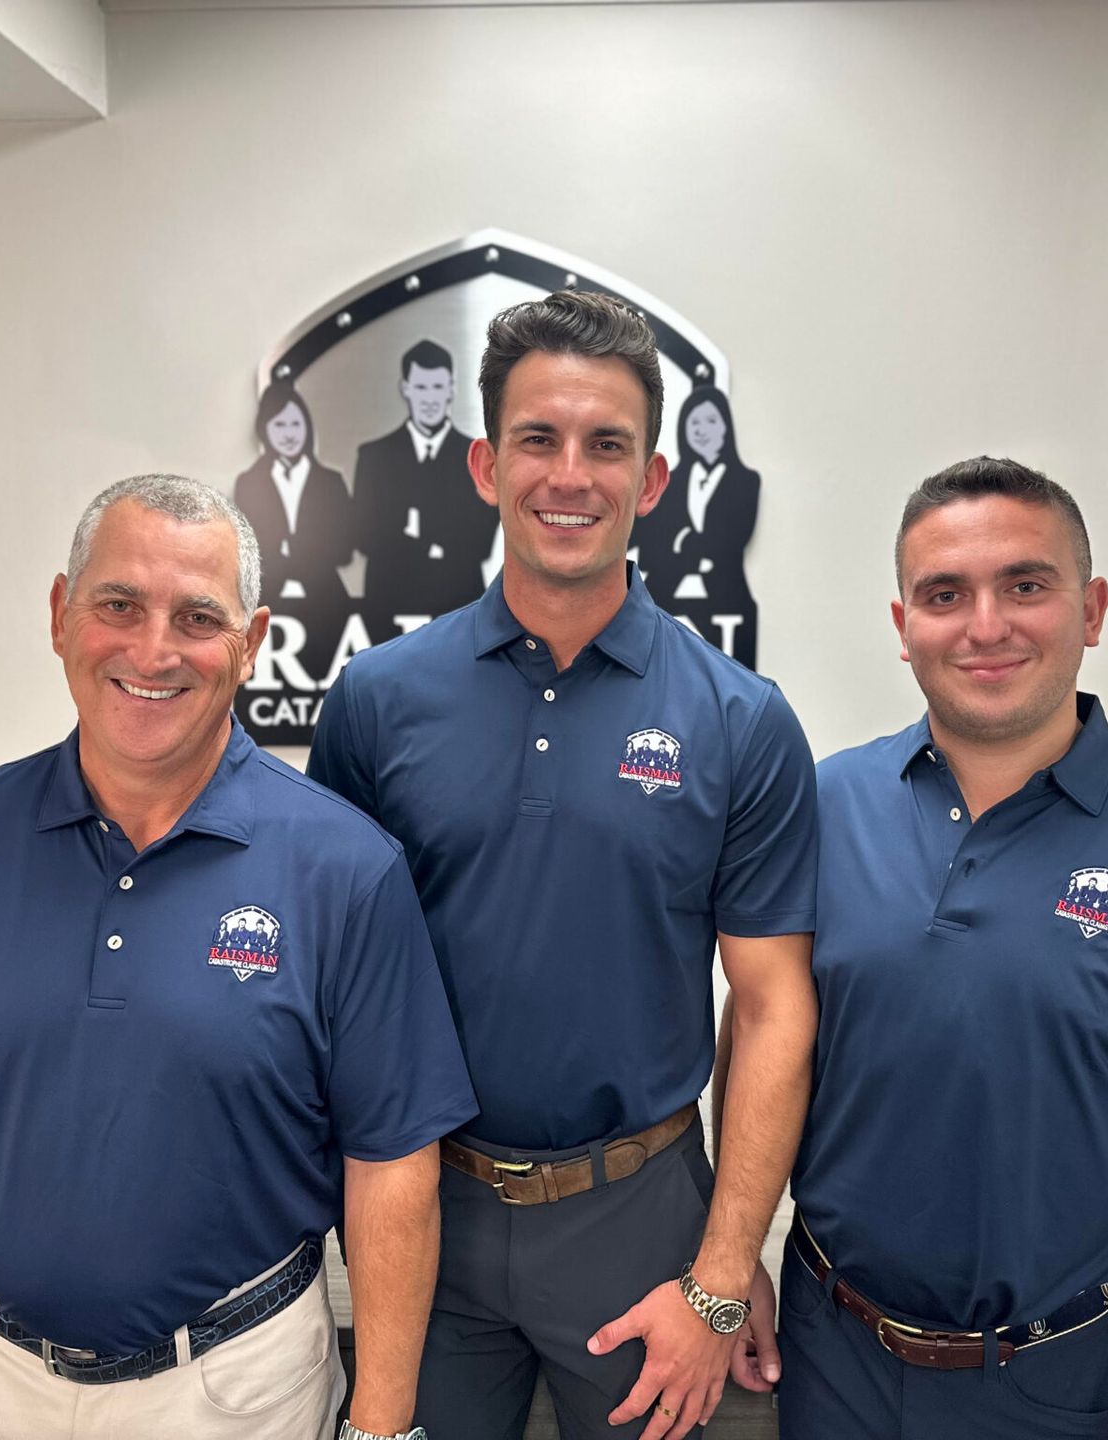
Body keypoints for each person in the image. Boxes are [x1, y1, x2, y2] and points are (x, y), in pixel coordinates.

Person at [0, 474, 475, 1440]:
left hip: (237, 1392)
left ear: (249, 646)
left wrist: (380, 1430)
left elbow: (391, 1171)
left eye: (197, 617)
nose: (153, 649)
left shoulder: (347, 871)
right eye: (118, 604)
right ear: (60, 614)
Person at [309, 291, 820, 1440]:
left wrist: (724, 1270)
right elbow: (327, 988)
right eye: (539, 439)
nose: (569, 476)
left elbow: (776, 1006)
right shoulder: (379, 703)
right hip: (419, 1208)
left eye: (607, 447)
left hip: (639, 1214)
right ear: (486, 465)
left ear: (650, 482)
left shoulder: (740, 720)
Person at [723, 457, 1108, 1440]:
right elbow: (756, 1023)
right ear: (904, 628)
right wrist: (731, 1256)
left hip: (1054, 1383)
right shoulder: (819, 809)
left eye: (1025, 586)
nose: (985, 626)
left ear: (1092, 609)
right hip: (831, 1360)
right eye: (945, 594)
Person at [352, 338, 497, 640]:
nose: (429, 398)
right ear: (405, 388)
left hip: (460, 608)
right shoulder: (375, 456)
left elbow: (478, 544)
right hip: (386, 607)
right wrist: (440, 539)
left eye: (437, 387)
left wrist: (409, 529)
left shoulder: (479, 457)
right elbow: (366, 540)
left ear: (452, 389)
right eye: (420, 388)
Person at [633, 386, 760, 668]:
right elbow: (640, 535)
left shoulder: (747, 481)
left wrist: (690, 546)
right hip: (666, 592)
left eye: (711, 421)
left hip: (724, 594)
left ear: (726, 428)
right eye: (695, 422)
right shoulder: (667, 482)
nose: (702, 430)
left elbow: (736, 536)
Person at [234, 380, 354, 677]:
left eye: (295, 424)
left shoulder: (331, 481)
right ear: (266, 430)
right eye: (280, 425)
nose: (289, 434)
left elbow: (345, 549)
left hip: (326, 598)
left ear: (307, 428)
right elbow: (247, 553)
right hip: (268, 595)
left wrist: (297, 552)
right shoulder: (249, 482)